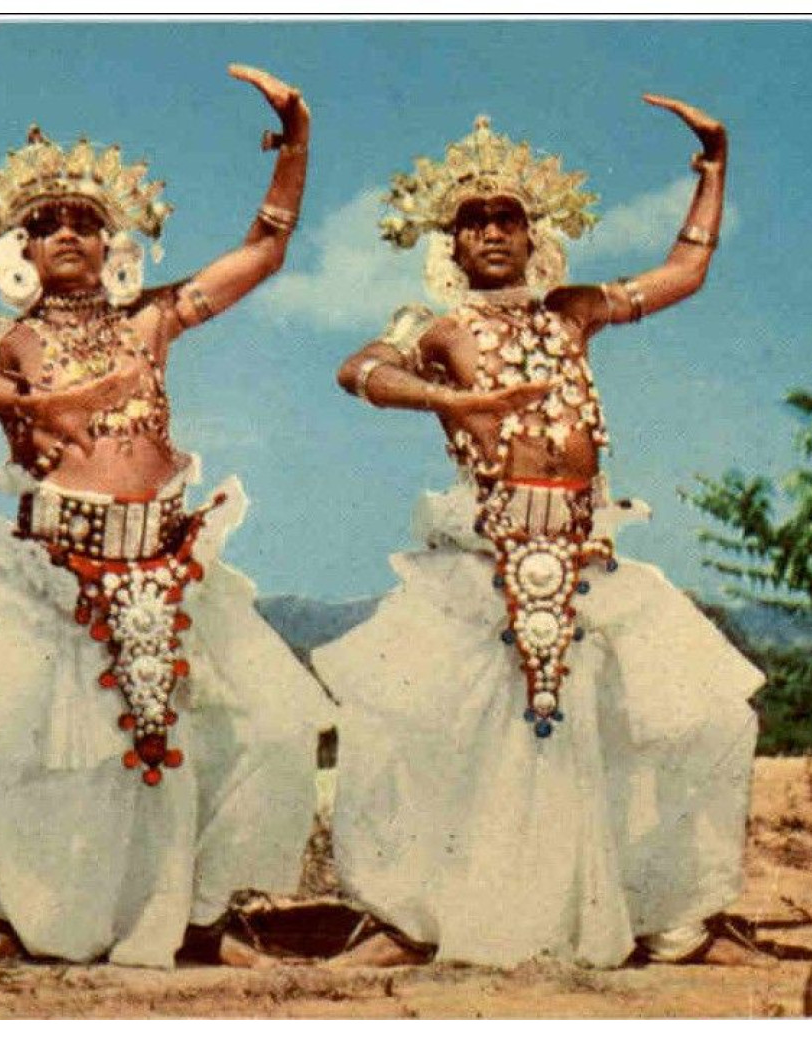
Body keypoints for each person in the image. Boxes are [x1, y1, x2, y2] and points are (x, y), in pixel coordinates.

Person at [0, 65, 329, 969]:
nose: (68, 234)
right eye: (46, 226)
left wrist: (294, 148)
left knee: (252, 731)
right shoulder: (5, 334)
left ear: (113, 242)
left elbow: (264, 252)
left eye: (85, 221)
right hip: (54, 574)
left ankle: (194, 920)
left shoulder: (150, 321)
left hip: (166, 563)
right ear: (21, 252)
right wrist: (25, 402)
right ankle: (5, 912)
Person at [315, 98, 766, 968]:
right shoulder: (435, 327)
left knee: (695, 719)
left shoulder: (573, 311)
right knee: (419, 727)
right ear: (449, 244)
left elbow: (682, 273)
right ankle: (412, 921)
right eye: (471, 220)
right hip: (484, 561)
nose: (490, 230)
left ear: (532, 236)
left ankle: (675, 918)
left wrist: (711, 171)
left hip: (588, 555)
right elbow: (359, 368)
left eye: (506, 217)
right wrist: (452, 399)